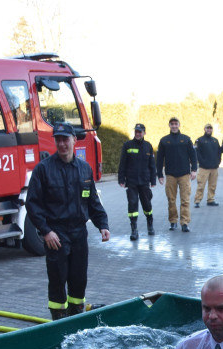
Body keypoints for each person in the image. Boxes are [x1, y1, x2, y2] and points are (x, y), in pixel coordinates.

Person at [25, 123, 110, 320]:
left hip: (79, 233)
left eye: (65, 139)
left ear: (74, 140)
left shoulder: (84, 169)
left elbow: (92, 201)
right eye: (58, 139)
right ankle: (59, 319)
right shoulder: (43, 170)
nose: (62, 143)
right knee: (57, 279)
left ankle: (76, 316)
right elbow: (32, 204)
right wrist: (46, 231)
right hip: (57, 234)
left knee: (78, 280)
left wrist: (103, 225)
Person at [156, 116, 198, 232]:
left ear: (179, 125)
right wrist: (159, 174)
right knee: (171, 199)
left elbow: (193, 156)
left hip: (184, 174)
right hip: (170, 175)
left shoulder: (186, 139)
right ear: (169, 125)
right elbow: (159, 159)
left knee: (185, 200)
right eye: (172, 124)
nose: (174, 126)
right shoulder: (164, 140)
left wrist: (194, 170)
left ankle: (184, 222)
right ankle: (173, 221)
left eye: (176, 123)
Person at [117, 123, 157, 241]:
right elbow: (122, 163)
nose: (138, 134)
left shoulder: (148, 146)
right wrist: (121, 179)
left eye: (140, 132)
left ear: (144, 133)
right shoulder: (127, 145)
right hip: (132, 181)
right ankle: (134, 230)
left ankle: (150, 225)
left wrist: (153, 180)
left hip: (144, 181)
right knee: (132, 205)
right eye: (136, 132)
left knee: (147, 205)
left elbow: (152, 165)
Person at [194, 124, 221, 208]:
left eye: (210, 128)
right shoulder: (199, 140)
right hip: (203, 168)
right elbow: (196, 152)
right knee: (201, 185)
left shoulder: (215, 140)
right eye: (207, 128)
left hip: (214, 167)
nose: (209, 130)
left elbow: (219, 152)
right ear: (204, 129)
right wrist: (202, 162)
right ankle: (197, 201)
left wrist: (218, 161)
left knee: (213, 185)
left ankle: (210, 200)